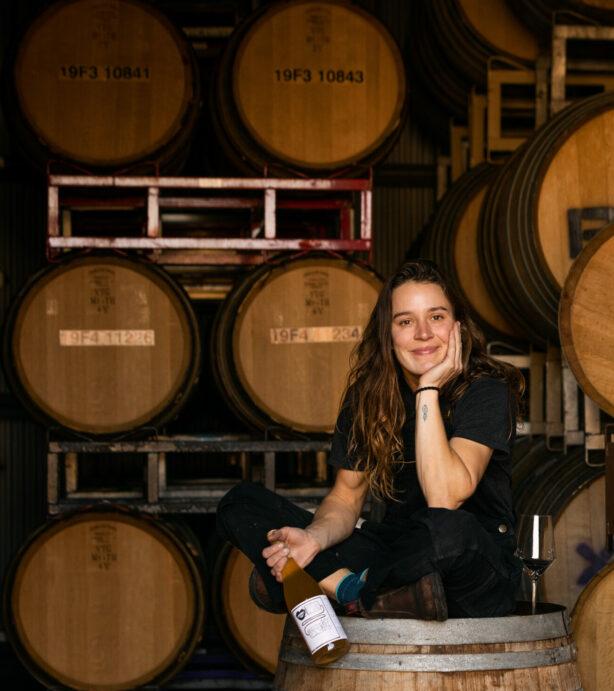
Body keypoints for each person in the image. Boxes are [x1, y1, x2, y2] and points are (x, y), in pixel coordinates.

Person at [215, 258, 526, 619]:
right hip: (395, 550)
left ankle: (322, 584)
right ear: (388, 335)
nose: (423, 333)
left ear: (457, 328)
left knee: (448, 529)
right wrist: (313, 539)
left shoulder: (486, 391)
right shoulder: (369, 397)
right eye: (406, 321)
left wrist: (428, 390)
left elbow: (445, 498)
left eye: (436, 317)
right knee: (240, 502)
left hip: (473, 566)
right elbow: (346, 499)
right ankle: (355, 589)